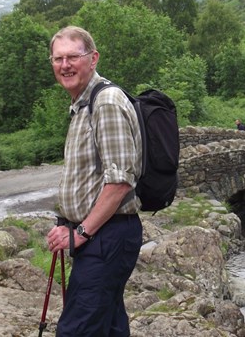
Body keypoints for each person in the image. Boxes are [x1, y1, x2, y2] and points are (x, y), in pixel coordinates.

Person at [46, 26, 143, 337]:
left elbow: (120, 182)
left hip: (108, 237)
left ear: (93, 58)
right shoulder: (82, 105)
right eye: (58, 58)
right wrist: (69, 225)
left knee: (77, 330)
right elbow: (88, 182)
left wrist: (82, 232)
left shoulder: (106, 103)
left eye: (73, 56)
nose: (65, 65)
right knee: (109, 327)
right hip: (101, 235)